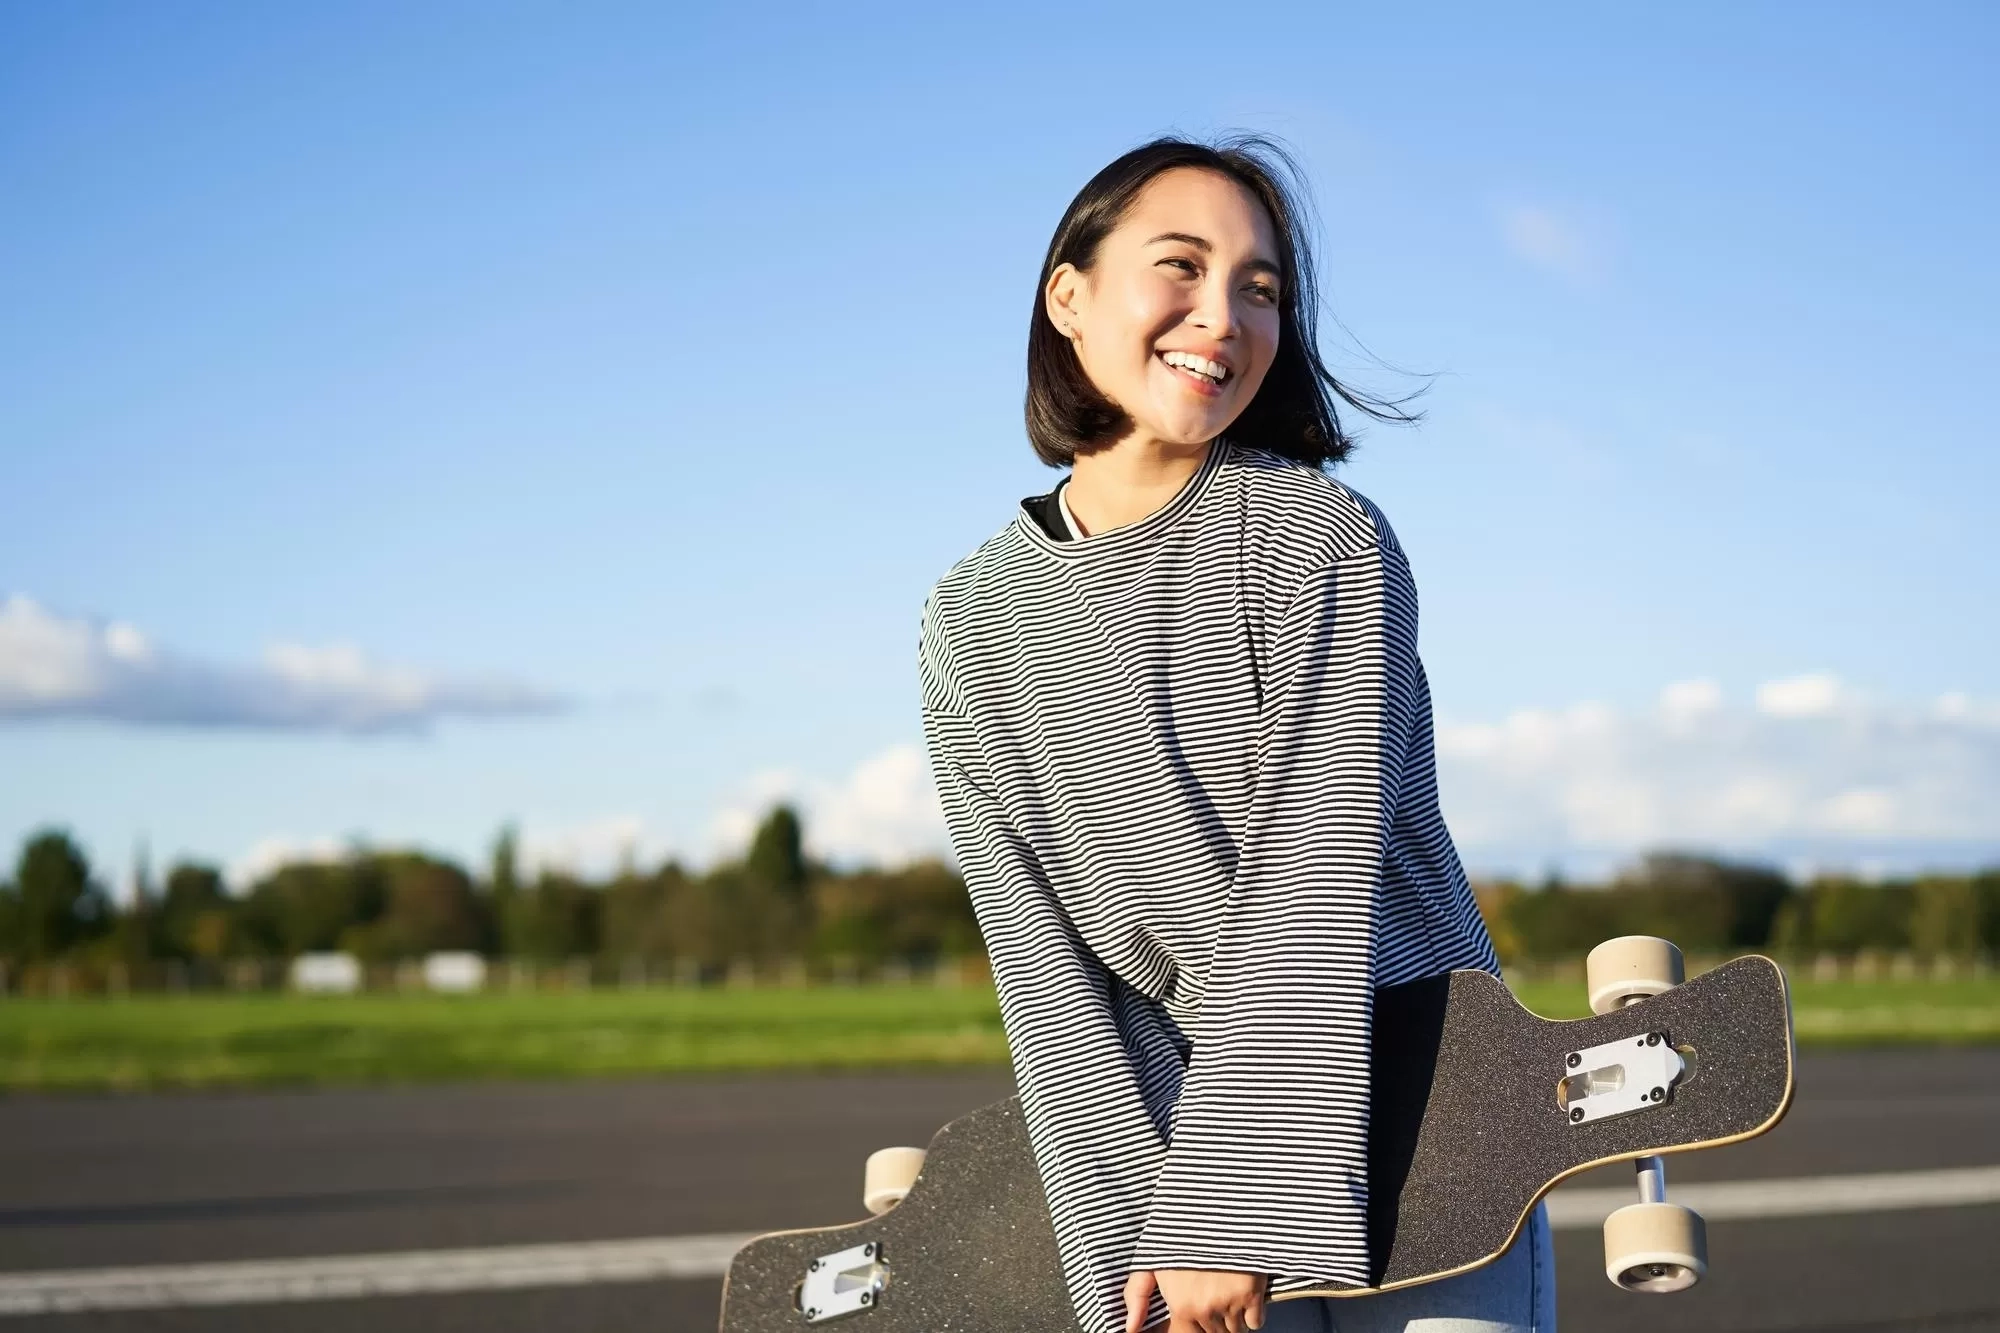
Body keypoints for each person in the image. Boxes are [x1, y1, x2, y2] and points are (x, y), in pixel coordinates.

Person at [916, 135, 1555, 1333]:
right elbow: (1047, 972)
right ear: (1069, 296)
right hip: (1183, 1162)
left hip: (1424, 1106)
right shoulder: (968, 621)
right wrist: (1124, 1266)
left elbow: (1310, 876)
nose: (1222, 316)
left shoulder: (1315, 537)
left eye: (1260, 290)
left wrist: (1231, 1204)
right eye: (1182, 267)